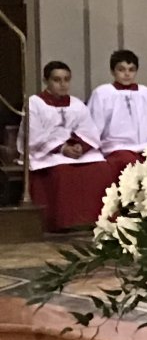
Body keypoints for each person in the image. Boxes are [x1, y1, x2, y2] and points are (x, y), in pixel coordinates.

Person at [26, 61, 114, 232]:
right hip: (48, 152)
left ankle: (99, 220)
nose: (63, 84)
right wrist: (62, 148)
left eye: (66, 79)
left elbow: (88, 130)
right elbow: (34, 134)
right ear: (46, 81)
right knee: (63, 171)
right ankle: (64, 222)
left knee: (101, 168)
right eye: (57, 80)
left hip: (73, 150)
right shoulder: (34, 103)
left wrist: (80, 146)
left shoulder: (77, 104)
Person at [86, 48, 147, 180]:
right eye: (121, 70)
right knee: (131, 165)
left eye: (131, 70)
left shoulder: (146, 93)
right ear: (112, 71)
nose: (127, 74)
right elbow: (94, 125)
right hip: (117, 148)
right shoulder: (103, 93)